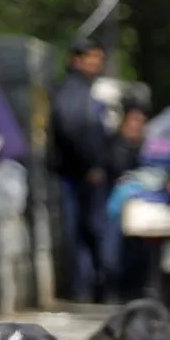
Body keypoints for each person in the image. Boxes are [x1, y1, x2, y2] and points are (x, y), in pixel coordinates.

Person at [47, 37, 109, 303]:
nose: (96, 65)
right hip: (75, 176)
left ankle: (85, 287)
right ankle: (80, 289)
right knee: (80, 234)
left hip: (79, 175)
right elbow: (72, 127)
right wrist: (90, 165)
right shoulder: (74, 91)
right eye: (91, 58)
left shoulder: (82, 90)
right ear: (76, 60)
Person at [101, 103, 147, 301]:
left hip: (138, 209)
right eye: (133, 122)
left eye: (140, 123)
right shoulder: (114, 146)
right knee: (111, 253)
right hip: (115, 208)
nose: (136, 127)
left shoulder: (145, 150)